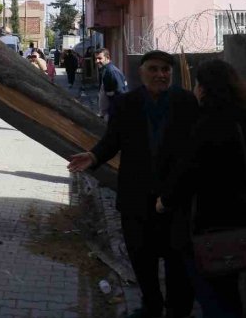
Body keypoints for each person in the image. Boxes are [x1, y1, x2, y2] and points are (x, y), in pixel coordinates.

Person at [68, 50, 199, 318]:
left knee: (178, 263)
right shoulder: (127, 104)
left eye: (165, 70)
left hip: (175, 200)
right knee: (142, 259)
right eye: (154, 69)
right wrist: (94, 155)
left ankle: (178, 311)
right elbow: (112, 139)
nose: (160, 74)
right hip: (136, 199)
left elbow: (195, 149)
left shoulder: (185, 102)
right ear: (141, 72)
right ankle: (151, 306)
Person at [157, 59, 246, 318]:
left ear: (205, 88)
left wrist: (165, 200)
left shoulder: (208, 125)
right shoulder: (244, 120)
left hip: (205, 222)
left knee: (212, 296)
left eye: (199, 83)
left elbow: (188, 171)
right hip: (236, 219)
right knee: (228, 291)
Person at [95, 48, 128, 120]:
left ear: (107, 58)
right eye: (96, 59)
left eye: (100, 58)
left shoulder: (112, 72)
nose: (97, 61)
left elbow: (121, 94)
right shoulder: (105, 70)